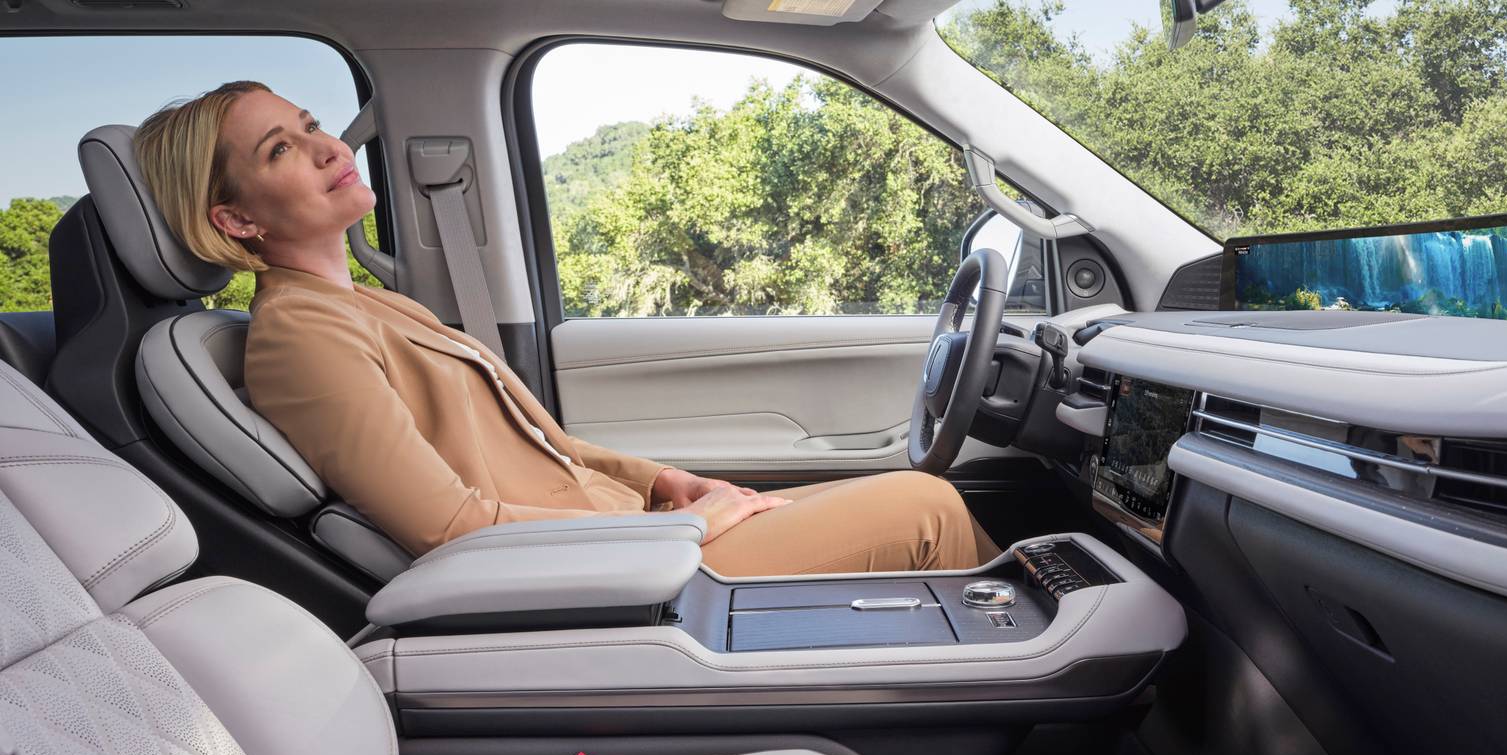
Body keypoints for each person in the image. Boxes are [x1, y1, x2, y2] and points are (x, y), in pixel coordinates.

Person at [132, 81, 1000, 576]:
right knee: (924, 505)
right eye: (280, 150)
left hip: (621, 535)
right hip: (606, 574)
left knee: (903, 495)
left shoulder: (362, 305)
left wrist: (668, 483)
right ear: (236, 220)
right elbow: (450, 532)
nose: (328, 148)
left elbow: (550, 445)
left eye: (311, 127)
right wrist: (686, 530)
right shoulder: (299, 336)